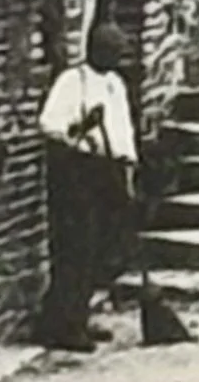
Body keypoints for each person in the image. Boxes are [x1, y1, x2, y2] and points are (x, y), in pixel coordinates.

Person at [34, 21, 138, 352]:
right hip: (78, 173)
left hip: (109, 170)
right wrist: (82, 126)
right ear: (96, 50)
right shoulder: (72, 81)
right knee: (76, 248)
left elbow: (123, 131)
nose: (116, 59)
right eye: (111, 52)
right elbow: (50, 127)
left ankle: (78, 316)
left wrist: (128, 168)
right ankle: (63, 326)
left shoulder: (115, 84)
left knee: (99, 251)